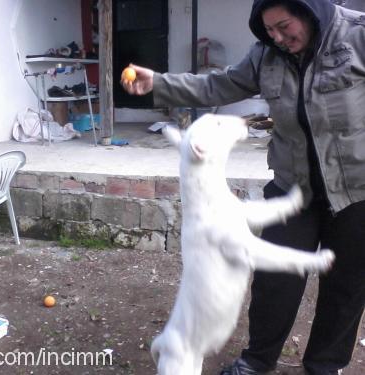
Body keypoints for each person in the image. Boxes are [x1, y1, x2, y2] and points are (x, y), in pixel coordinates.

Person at [121, 1, 365, 374]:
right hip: (293, 186)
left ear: (309, 10)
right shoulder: (265, 55)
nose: (279, 38)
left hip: (357, 189)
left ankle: (324, 365)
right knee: (274, 284)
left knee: (347, 285)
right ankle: (257, 360)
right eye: (270, 31)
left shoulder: (357, 35)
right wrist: (159, 82)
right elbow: (217, 85)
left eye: (284, 26)